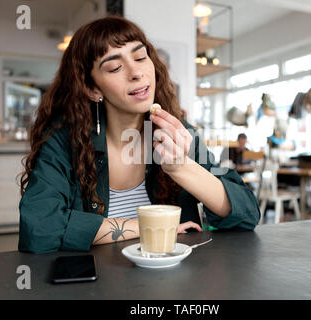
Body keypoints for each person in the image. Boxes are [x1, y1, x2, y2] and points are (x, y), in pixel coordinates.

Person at [18, 16, 260, 254]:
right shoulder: (63, 142)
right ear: (92, 88)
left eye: (141, 57)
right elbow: (39, 231)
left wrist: (181, 167)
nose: (136, 72)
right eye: (115, 67)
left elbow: (247, 214)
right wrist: (154, 225)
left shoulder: (177, 133)